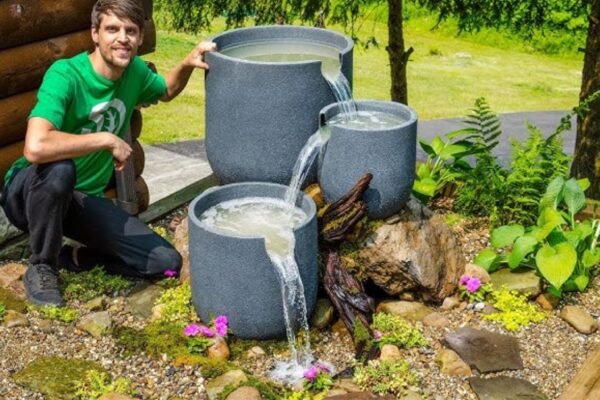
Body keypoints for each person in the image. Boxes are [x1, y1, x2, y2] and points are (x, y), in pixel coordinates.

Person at [0, 0, 216, 306]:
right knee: (61, 169)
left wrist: (187, 63)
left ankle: (72, 257)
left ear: (140, 38)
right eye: (112, 29)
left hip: (80, 200)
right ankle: (41, 265)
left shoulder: (136, 72)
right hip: (29, 191)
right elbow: (35, 147)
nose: (122, 38)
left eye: (131, 31)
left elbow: (165, 90)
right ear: (95, 33)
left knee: (165, 262)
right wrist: (105, 139)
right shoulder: (66, 75)